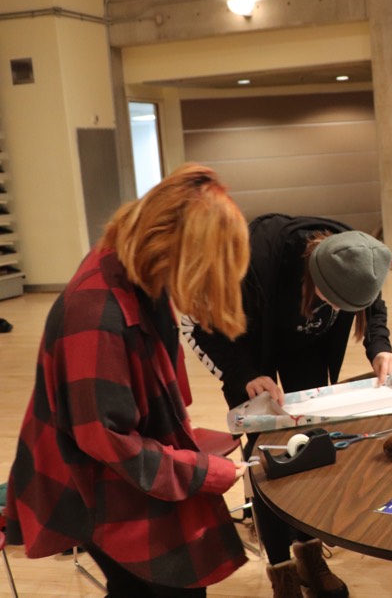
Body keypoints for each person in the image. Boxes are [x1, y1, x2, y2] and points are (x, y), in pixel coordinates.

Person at [5, 164, 249, 596]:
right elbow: (109, 441)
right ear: (172, 247)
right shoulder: (97, 313)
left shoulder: (131, 265)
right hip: (90, 484)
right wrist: (204, 472)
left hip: (114, 467)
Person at [184, 213, 392, 597]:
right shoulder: (248, 264)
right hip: (247, 344)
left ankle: (309, 554)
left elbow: (373, 305)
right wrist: (245, 374)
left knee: (308, 445)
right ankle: (280, 568)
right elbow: (201, 328)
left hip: (305, 345)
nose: (334, 312)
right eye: (330, 303)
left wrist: (379, 346)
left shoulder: (360, 257)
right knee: (266, 454)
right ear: (315, 278)